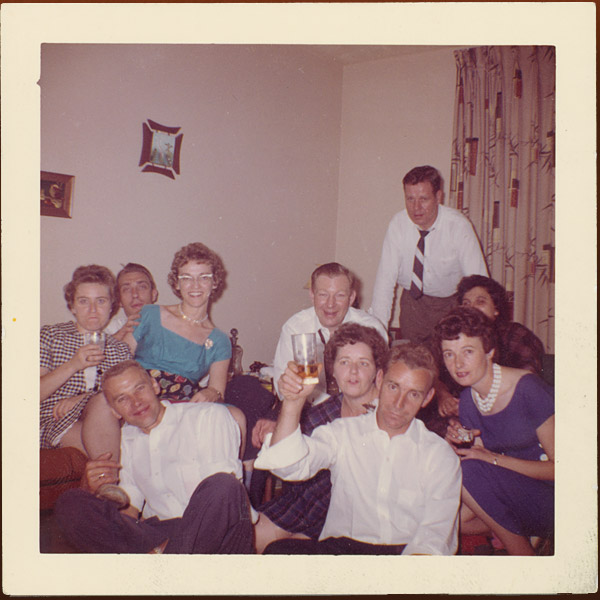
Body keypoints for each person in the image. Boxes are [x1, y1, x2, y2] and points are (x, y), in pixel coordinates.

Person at [254, 343, 461, 555]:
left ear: (427, 398)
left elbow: (435, 535)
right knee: (279, 552)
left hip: (404, 556)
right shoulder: (344, 432)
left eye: (414, 394)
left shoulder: (438, 455)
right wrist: (292, 403)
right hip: (343, 551)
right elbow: (288, 467)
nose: (399, 403)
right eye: (393, 387)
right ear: (379, 380)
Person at [54, 360, 254, 554]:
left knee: (223, 484)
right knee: (70, 502)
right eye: (122, 399)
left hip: (216, 538)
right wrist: (91, 490)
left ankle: (163, 567)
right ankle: (162, 564)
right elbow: (128, 511)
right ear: (114, 411)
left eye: (139, 388)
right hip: (159, 538)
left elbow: (224, 503)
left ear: (155, 386)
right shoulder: (125, 440)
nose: (136, 402)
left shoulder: (207, 416)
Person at [82, 242, 240, 462]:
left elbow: (217, 390)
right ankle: (109, 482)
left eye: (203, 277)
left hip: (182, 403)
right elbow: (119, 360)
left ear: (215, 282)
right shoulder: (150, 314)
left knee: (235, 418)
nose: (195, 285)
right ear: (176, 282)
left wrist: (211, 393)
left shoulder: (220, 340)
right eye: (186, 277)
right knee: (101, 402)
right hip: (139, 392)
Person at [253, 323, 389, 553]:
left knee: (285, 559)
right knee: (249, 542)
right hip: (305, 502)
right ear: (333, 371)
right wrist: (291, 402)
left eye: (363, 363)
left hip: (353, 515)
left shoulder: (389, 415)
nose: (353, 372)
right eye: (344, 362)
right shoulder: (325, 411)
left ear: (378, 372)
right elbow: (284, 461)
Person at [434, 307, 554, 555]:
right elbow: (480, 459)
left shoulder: (528, 389)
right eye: (449, 354)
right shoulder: (468, 398)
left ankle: (522, 555)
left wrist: (493, 459)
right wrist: (455, 443)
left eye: (468, 351)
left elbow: (565, 471)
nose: (457, 364)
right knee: (452, 518)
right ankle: (529, 535)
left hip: (557, 498)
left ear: (489, 351)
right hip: (518, 491)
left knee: (467, 471)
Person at [370, 165, 487, 343]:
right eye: (410, 199)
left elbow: (479, 283)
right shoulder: (398, 225)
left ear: (438, 197)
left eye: (423, 199)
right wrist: (377, 337)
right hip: (413, 303)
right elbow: (384, 282)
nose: (416, 207)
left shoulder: (458, 226)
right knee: (416, 362)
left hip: (450, 303)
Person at [40, 265, 132, 453]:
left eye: (100, 301)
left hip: (105, 420)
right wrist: (74, 364)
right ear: (72, 306)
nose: (92, 310)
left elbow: (126, 397)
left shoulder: (120, 350)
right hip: (55, 421)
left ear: (111, 306)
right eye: (83, 301)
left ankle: (105, 482)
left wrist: (85, 399)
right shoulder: (51, 335)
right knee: (106, 446)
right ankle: (107, 480)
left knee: (106, 411)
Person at [272, 262, 388, 406]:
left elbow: (382, 385)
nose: (330, 304)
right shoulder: (295, 328)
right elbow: (282, 389)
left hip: (359, 409)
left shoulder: (372, 329)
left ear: (351, 298)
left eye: (339, 295)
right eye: (323, 295)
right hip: (308, 409)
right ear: (312, 295)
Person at [437, 274, 547, 418]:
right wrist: (443, 396)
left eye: (480, 302)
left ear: (496, 308)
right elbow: (433, 372)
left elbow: (526, 385)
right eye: (466, 303)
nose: (472, 308)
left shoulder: (516, 335)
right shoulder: (455, 339)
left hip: (511, 413)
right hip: (461, 417)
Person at [104, 262, 158, 342]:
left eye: (142, 287)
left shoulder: (172, 325)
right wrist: (120, 336)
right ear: (119, 300)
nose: (135, 294)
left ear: (153, 294)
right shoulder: (109, 330)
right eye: (126, 289)